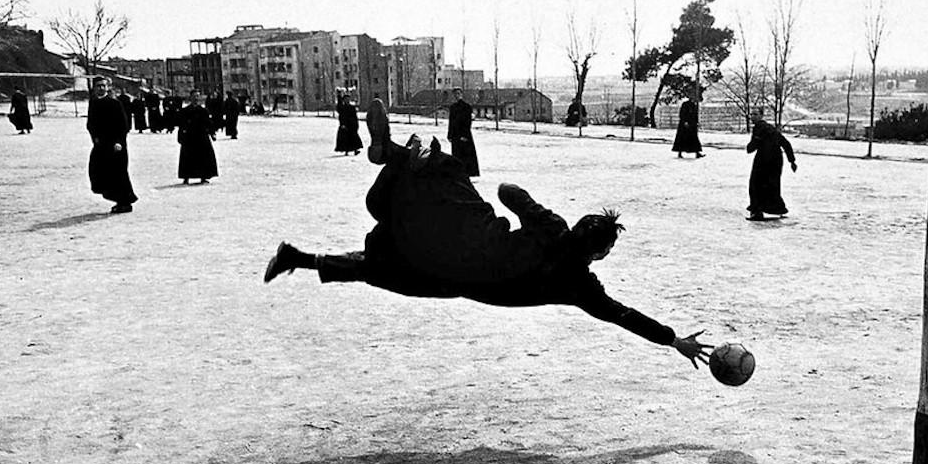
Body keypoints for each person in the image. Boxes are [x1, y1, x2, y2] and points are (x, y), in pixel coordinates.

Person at [264, 100, 712, 369]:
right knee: (387, 263)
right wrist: (673, 340)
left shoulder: (552, 227)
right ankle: (400, 157)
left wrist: (528, 209)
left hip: (469, 240)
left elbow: (507, 190)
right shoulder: (580, 284)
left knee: (445, 183)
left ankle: (299, 254)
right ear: (600, 253)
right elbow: (622, 315)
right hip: (458, 280)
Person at [86, 76, 136, 214]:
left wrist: (119, 142)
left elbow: (123, 125)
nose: (101, 88)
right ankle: (117, 199)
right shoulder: (93, 103)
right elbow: (90, 124)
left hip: (115, 146)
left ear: (108, 87)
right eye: (98, 86)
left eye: (103, 85)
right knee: (99, 171)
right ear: (94, 88)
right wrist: (95, 138)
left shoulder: (114, 103)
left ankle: (125, 202)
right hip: (101, 145)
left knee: (118, 174)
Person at [745, 118, 797, 221]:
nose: (752, 117)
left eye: (755, 114)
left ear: (761, 115)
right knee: (772, 185)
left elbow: (751, 147)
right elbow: (785, 143)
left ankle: (756, 211)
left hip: (763, 158)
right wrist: (792, 161)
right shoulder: (771, 129)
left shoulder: (758, 129)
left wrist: (750, 146)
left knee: (756, 184)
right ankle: (777, 208)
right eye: (752, 114)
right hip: (776, 159)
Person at [177, 89, 218, 185]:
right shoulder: (185, 111)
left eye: (197, 96)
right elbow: (181, 124)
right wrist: (180, 136)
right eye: (194, 96)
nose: (196, 98)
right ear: (190, 97)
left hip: (202, 137)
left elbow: (208, 123)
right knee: (187, 158)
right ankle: (186, 177)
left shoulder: (203, 111)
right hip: (189, 138)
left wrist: (212, 133)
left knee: (203, 157)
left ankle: (204, 176)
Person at [447, 87, 479, 177]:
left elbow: (467, 122)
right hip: (455, 135)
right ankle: (458, 172)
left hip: (464, 134)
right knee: (456, 154)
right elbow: (451, 122)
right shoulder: (453, 107)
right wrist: (450, 134)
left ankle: (467, 173)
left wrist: (465, 135)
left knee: (466, 155)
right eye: (455, 94)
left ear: (461, 94)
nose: (456, 96)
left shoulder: (466, 107)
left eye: (458, 93)